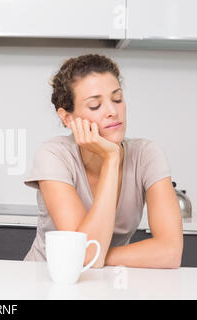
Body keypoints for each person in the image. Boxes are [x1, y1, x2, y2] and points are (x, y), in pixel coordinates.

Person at [24, 54, 183, 268]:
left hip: (108, 282)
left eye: (117, 99)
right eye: (95, 105)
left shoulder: (147, 154)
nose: (112, 111)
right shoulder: (54, 156)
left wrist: (95, 257)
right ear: (67, 118)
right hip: (46, 281)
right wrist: (110, 159)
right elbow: (87, 255)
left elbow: (170, 252)